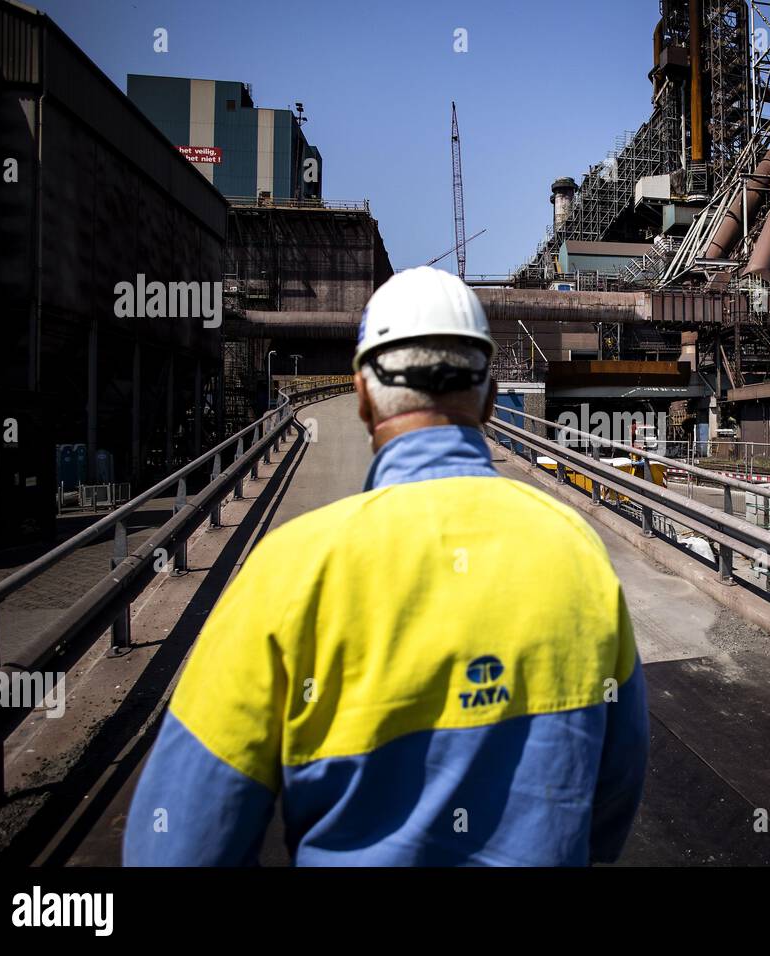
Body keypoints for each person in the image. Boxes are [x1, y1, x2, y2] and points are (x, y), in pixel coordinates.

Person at [123, 267, 648, 866]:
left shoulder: (286, 574)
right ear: (492, 396)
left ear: (364, 398)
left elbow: (177, 844)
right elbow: (615, 791)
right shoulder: (575, 552)